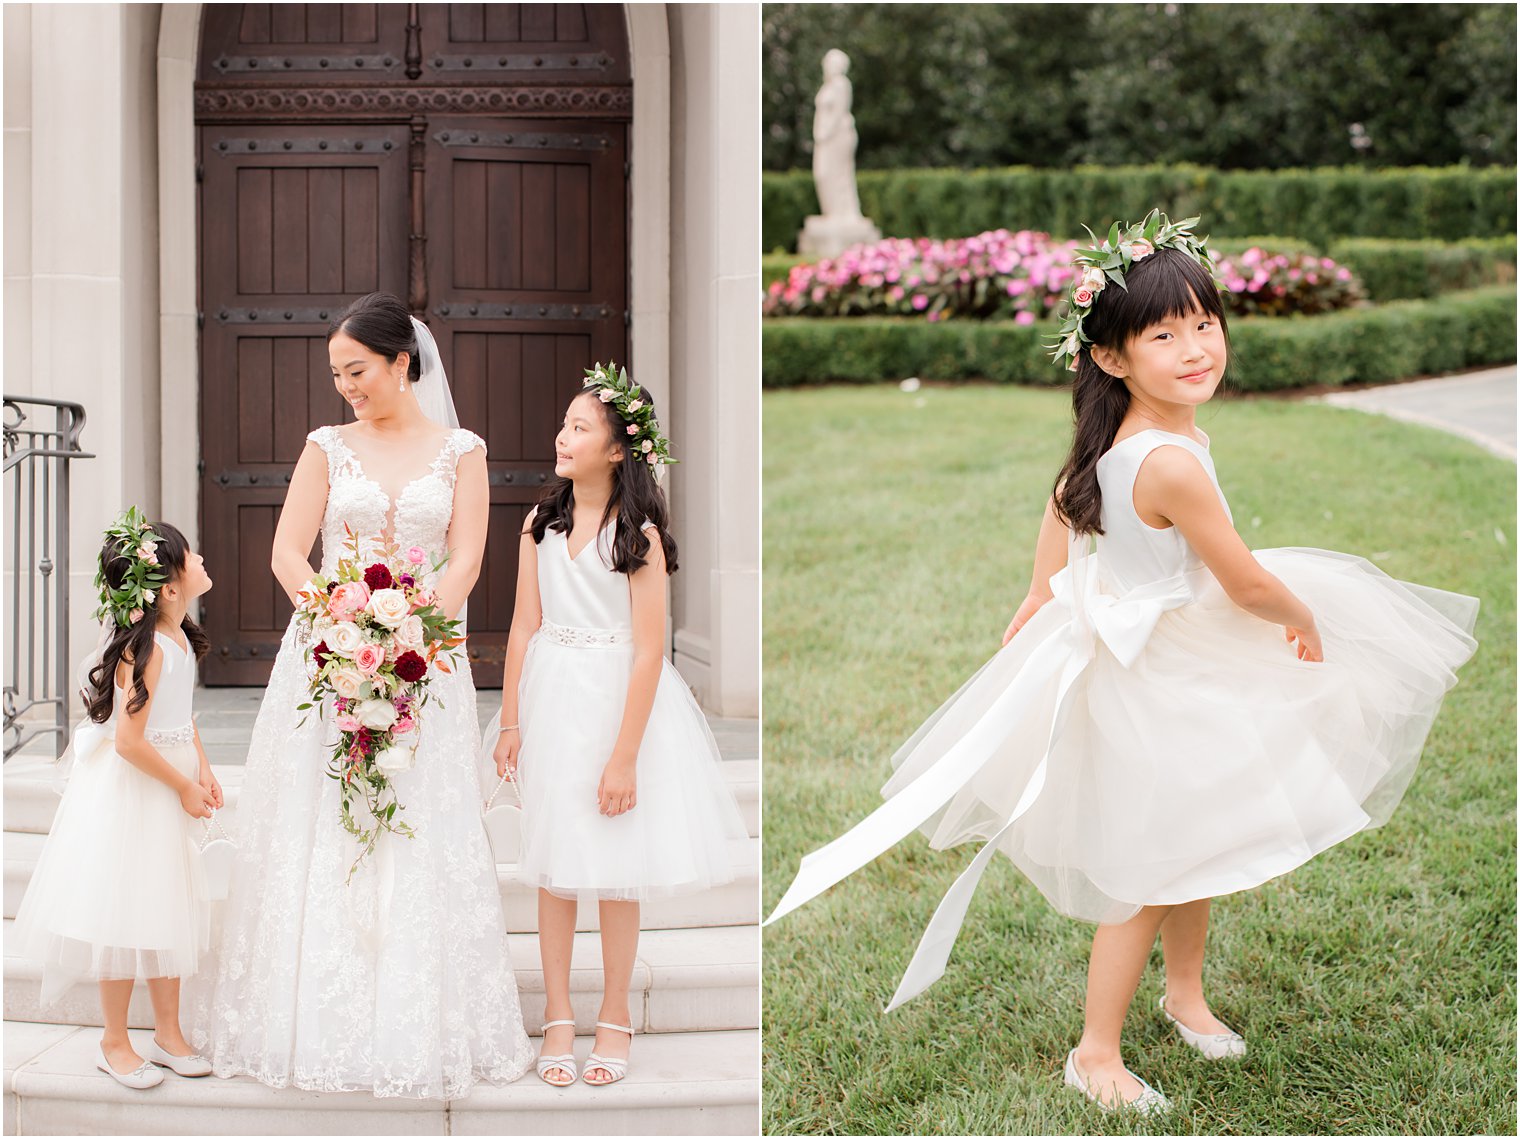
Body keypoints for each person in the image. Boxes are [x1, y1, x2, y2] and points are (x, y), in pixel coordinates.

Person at [764, 212, 1479, 1114]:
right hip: (1166, 671)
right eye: (1165, 333)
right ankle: (1095, 1049)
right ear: (1110, 356)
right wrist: (1299, 613)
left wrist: (1041, 588)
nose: (1195, 347)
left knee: (1200, 840)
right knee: (1148, 870)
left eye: (1206, 324)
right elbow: (1246, 582)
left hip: (1166, 652)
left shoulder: (1128, 434)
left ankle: (1185, 996)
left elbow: (1064, 502)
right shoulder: (1169, 459)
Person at [183, 293, 533, 1098]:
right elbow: (285, 553)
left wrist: (409, 633)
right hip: (327, 652)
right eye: (336, 373)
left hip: (424, 658)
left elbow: (466, 561)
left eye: (358, 370)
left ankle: (415, 1021)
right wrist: (341, 618)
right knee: (324, 822)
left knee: (416, 821)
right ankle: (308, 1016)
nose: (346, 386)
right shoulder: (325, 446)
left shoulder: (462, 451)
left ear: (402, 363)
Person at [489, 365, 748, 1087]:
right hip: (551, 699)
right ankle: (560, 1016)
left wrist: (624, 757)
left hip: (616, 704)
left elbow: (647, 650)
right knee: (552, 865)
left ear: (616, 449)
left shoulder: (639, 537)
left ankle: (613, 1015)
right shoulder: (540, 524)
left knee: (616, 869)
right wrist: (510, 720)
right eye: (564, 425)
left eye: (578, 428)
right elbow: (520, 627)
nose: (560, 437)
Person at [12, 510, 220, 1089]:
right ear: (171, 585)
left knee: (168, 904)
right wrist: (180, 785)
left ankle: (169, 1034)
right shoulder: (146, 648)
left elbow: (179, 716)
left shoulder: (181, 637)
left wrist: (201, 766)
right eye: (193, 557)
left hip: (171, 775)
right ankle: (113, 1040)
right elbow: (129, 741)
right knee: (126, 908)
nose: (203, 561)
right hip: (138, 789)